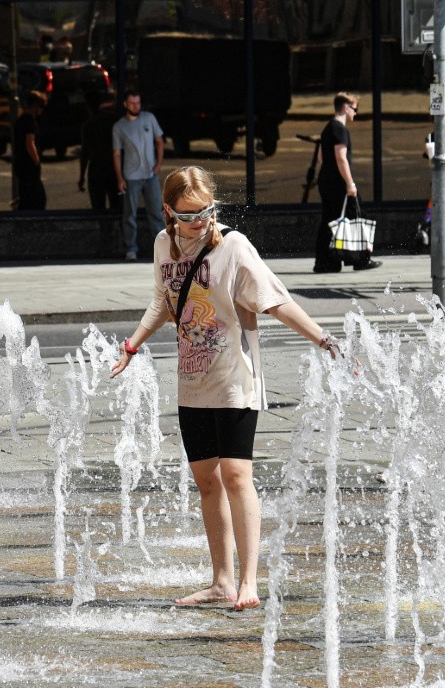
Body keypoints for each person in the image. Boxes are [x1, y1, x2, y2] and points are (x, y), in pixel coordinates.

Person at [110, 166, 342, 611]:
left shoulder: (233, 246)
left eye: (207, 211)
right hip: (192, 381)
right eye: (190, 214)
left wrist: (322, 337)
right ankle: (221, 582)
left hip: (235, 379)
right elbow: (162, 301)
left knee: (237, 476)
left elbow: (276, 300)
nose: (201, 221)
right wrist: (132, 346)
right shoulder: (164, 244)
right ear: (168, 211)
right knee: (206, 482)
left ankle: (249, 582)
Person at [313, 92, 380, 273]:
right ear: (345, 108)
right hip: (339, 182)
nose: (356, 113)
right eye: (355, 109)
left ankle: (325, 261)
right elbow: (341, 158)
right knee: (358, 214)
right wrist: (350, 183)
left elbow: (321, 157)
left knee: (330, 219)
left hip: (326, 180)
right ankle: (360, 259)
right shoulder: (340, 129)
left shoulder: (327, 128)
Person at [112, 90, 165, 261]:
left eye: (138, 102)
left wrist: (158, 165)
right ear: (125, 104)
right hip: (131, 176)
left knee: (157, 213)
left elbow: (159, 141)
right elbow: (117, 154)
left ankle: (162, 249)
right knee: (130, 214)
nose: (136, 106)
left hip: (150, 175)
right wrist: (120, 178)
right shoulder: (119, 127)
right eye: (132, 103)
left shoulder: (148, 118)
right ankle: (131, 248)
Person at [78, 92, 121, 213]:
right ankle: (117, 230)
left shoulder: (88, 125)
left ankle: (104, 230)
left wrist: (81, 176)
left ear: (88, 106)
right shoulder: (113, 120)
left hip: (97, 169)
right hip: (113, 169)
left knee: (98, 207)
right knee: (116, 204)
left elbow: (85, 152)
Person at [13, 90, 48, 211]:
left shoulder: (20, 120)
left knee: (27, 196)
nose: (41, 110)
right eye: (41, 106)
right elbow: (30, 142)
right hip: (29, 166)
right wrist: (36, 159)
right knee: (38, 198)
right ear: (34, 106)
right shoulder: (30, 121)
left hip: (21, 165)